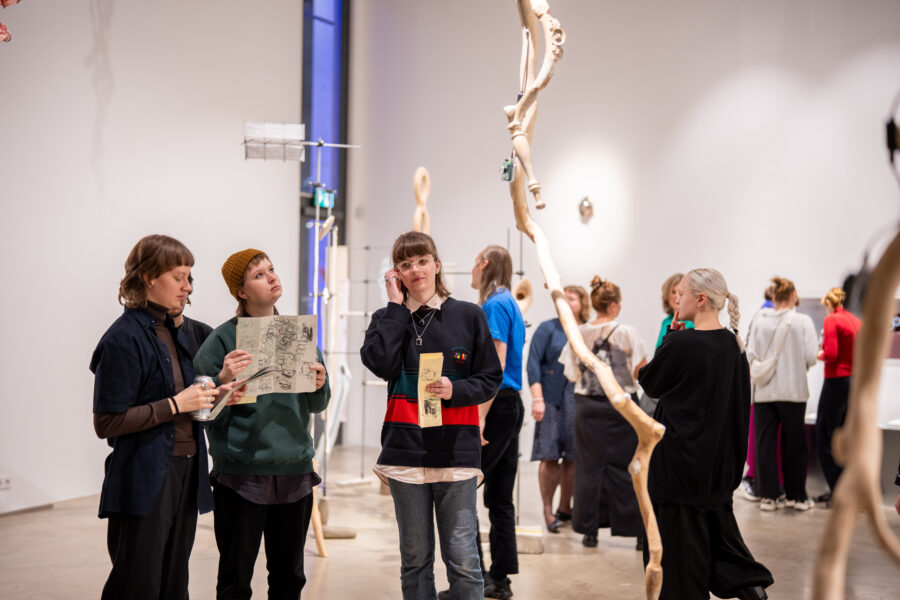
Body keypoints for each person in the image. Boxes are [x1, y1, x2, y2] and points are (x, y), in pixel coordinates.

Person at [91, 234, 243, 600]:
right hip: (143, 477)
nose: (187, 287)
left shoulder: (181, 333)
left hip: (186, 472)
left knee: (175, 583)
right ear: (148, 277)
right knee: (137, 585)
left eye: (189, 277)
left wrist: (217, 390)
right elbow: (106, 422)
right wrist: (175, 405)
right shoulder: (122, 339)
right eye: (179, 277)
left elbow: (192, 406)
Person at [360, 231, 502, 600]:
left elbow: (490, 378)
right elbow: (382, 364)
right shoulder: (386, 319)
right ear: (396, 273)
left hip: (456, 453)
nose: (415, 270)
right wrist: (395, 308)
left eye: (422, 261)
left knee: (463, 559)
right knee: (415, 559)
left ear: (437, 265)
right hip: (405, 452)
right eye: (405, 264)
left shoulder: (469, 315)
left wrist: (457, 390)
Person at [193, 248, 330, 600]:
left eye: (271, 269)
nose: (271, 278)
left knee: (289, 578)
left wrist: (319, 383)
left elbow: (318, 405)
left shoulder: (298, 335)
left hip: (294, 472)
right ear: (241, 291)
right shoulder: (222, 342)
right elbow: (204, 414)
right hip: (241, 476)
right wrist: (222, 381)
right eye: (259, 275)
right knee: (235, 580)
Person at [638, 268, 773, 600]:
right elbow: (740, 409)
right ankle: (746, 583)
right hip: (716, 467)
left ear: (700, 299)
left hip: (678, 465)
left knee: (678, 553)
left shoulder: (681, 343)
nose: (676, 300)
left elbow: (650, 382)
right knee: (711, 537)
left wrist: (669, 337)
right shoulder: (733, 345)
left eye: (682, 293)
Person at [560, 276, 648, 550]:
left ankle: (590, 530)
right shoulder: (628, 332)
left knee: (589, 468)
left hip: (588, 408)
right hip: (622, 406)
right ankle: (636, 531)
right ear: (613, 305)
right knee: (627, 467)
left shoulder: (579, 333)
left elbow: (570, 373)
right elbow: (641, 371)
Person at [470, 244, 526, 600]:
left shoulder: (494, 304)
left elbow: (496, 366)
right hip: (509, 404)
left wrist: (479, 417)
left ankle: (471, 578)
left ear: (485, 264)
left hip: (496, 406)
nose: (472, 269)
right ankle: (499, 579)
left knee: (464, 489)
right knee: (500, 496)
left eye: (475, 263)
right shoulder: (509, 302)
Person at [746, 277, 818, 511]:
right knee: (794, 445)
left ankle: (768, 496)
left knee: (764, 444)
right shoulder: (803, 321)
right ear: (793, 296)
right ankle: (796, 497)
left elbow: (751, 355)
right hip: (793, 391)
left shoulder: (760, 321)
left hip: (764, 392)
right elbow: (811, 356)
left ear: (774, 296)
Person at [527, 285, 589, 533]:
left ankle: (565, 508)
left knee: (573, 457)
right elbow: (532, 365)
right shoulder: (547, 328)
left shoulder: (588, 330)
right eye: (563, 299)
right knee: (550, 455)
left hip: (579, 400)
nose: (566, 302)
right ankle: (547, 510)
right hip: (551, 399)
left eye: (571, 299)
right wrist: (537, 399)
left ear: (583, 303)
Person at [815, 287, 862, 505]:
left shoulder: (832, 320)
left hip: (836, 380)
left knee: (825, 435)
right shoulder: (856, 320)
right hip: (853, 382)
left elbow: (832, 354)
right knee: (844, 434)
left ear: (829, 303)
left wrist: (819, 353)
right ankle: (847, 489)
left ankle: (838, 491)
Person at [739, 285, 783, 503]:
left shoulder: (763, 316)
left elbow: (750, 351)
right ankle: (760, 481)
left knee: (762, 436)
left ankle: (760, 482)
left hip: (763, 386)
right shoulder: (773, 317)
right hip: (773, 387)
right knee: (767, 437)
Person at [655, 272, 693, 349]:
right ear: (666, 295)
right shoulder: (666, 321)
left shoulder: (692, 322)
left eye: (680, 293)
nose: (677, 296)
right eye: (673, 292)